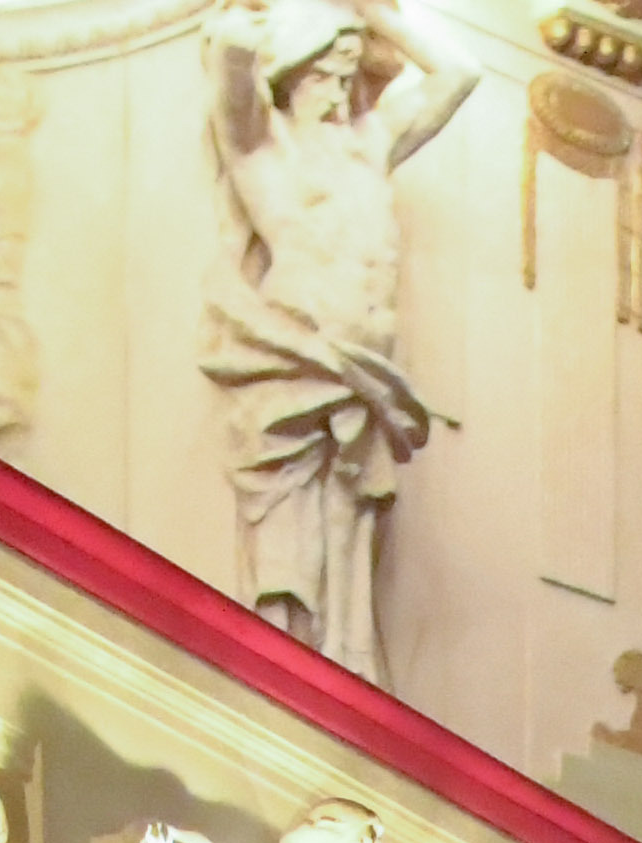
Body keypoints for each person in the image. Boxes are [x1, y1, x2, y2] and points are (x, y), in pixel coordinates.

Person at [206, 0, 474, 674]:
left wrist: (373, 13)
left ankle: (344, 662)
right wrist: (244, 35)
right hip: (297, 362)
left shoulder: (372, 144)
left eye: (346, 74)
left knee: (351, 534)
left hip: (366, 373)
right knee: (291, 530)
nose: (336, 90)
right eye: (323, 72)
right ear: (293, 72)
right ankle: (284, 655)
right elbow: (233, 78)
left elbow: (460, 73)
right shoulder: (266, 151)